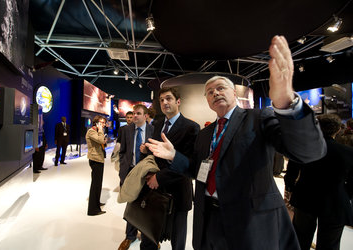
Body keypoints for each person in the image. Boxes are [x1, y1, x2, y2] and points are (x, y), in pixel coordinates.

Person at [145, 35, 326, 250]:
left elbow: (308, 151)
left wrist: (287, 101)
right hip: (209, 220)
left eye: (221, 88)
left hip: (250, 222)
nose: (215, 93)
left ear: (234, 93)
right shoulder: (205, 134)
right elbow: (197, 170)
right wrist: (175, 156)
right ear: (208, 101)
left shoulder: (258, 118)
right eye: (210, 92)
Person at [142, 87, 200, 250]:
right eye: (161, 100)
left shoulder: (191, 127)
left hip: (178, 192)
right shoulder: (158, 124)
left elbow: (189, 163)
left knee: (177, 240)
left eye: (168, 98)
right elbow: (155, 154)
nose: (164, 102)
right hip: (155, 191)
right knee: (149, 235)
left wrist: (158, 178)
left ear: (178, 102)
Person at [284, 114, 353, 250]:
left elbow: (291, 172)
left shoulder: (303, 148)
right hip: (336, 201)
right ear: (338, 130)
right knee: (330, 244)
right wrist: (346, 194)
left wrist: (290, 188)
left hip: (305, 198)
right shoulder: (348, 153)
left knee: (301, 240)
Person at [118, 104, 154, 250]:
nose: (135, 116)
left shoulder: (153, 130)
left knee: (148, 207)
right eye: (134, 113)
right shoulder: (126, 130)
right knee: (131, 205)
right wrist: (123, 169)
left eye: (138, 113)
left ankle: (149, 237)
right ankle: (130, 236)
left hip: (147, 174)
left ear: (146, 116)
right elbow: (122, 151)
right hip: (131, 172)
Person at [85, 115, 108, 216]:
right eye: (101, 122)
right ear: (96, 122)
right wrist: (100, 130)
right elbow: (101, 140)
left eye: (103, 123)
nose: (103, 124)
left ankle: (96, 203)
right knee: (95, 184)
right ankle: (93, 210)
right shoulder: (91, 131)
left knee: (98, 184)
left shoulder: (97, 131)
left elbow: (102, 142)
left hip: (99, 159)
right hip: (95, 159)